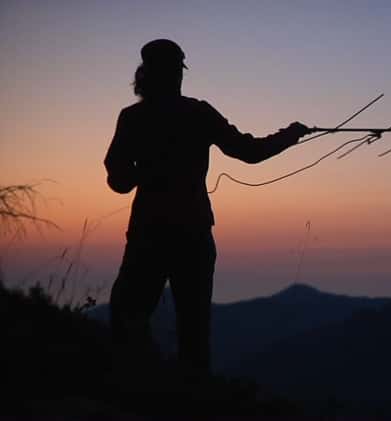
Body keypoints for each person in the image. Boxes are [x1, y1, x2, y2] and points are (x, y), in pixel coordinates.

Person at [104, 39, 310, 377]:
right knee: (194, 330)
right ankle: (192, 399)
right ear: (170, 74)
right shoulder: (197, 113)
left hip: (149, 232)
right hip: (192, 233)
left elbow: (119, 181)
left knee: (128, 316)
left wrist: (144, 171)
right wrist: (290, 135)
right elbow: (250, 152)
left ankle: (134, 387)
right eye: (175, 71)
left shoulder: (133, 118)